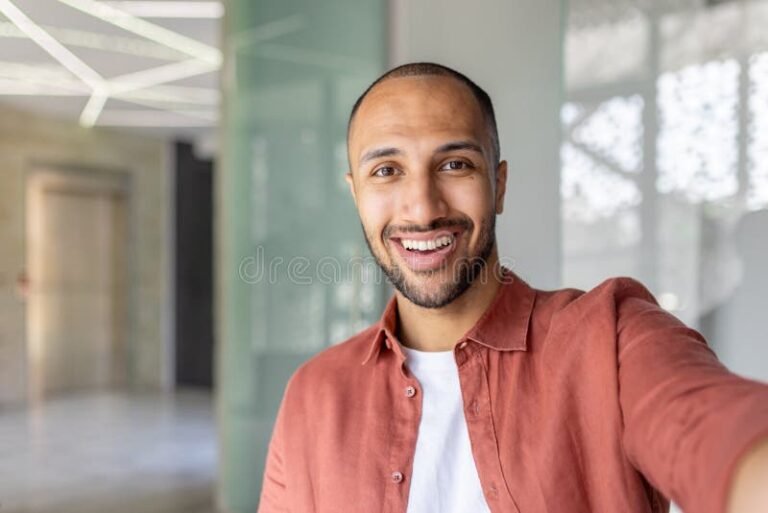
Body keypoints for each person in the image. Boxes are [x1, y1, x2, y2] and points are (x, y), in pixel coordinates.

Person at [257, 62, 768, 513]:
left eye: (455, 164)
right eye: (386, 171)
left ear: (498, 185)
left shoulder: (611, 339)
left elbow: (714, 430)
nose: (423, 206)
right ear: (357, 194)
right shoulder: (313, 394)